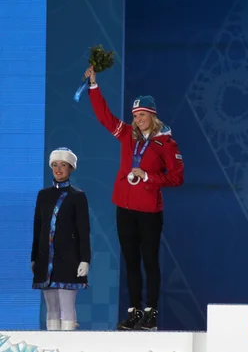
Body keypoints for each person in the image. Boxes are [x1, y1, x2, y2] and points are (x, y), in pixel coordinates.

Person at [84, 66, 184, 331]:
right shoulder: (128, 135)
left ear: (152, 115)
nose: (138, 120)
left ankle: (150, 313)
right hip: (124, 207)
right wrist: (94, 85)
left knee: (149, 261)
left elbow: (176, 178)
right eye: (135, 115)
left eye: (142, 115)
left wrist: (149, 176)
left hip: (149, 210)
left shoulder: (166, 144)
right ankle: (134, 311)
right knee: (130, 261)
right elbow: (105, 117)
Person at [31, 147, 91, 331]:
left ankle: (67, 346)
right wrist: (34, 257)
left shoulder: (77, 196)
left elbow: (83, 230)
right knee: (51, 308)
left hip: (68, 259)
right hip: (45, 260)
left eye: (63, 165)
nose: (58, 169)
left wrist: (85, 259)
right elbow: (38, 228)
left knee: (66, 307)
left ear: (71, 168)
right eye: (55, 165)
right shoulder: (43, 195)